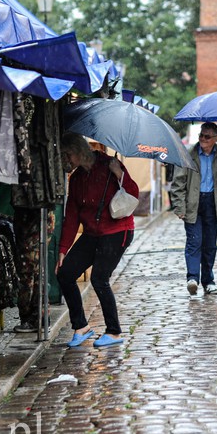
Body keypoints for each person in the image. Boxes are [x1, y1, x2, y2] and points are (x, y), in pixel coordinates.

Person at [56, 132, 139, 348]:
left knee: (99, 279)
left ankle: (113, 332)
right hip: (92, 233)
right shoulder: (76, 178)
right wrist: (63, 249)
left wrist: (119, 173)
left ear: (77, 152)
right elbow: (72, 215)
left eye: (66, 156)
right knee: (65, 274)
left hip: (117, 231)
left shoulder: (109, 164)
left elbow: (132, 193)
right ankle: (81, 327)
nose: (65, 161)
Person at [170, 121, 217, 296]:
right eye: (201, 135)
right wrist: (180, 206)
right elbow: (178, 183)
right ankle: (192, 279)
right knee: (194, 241)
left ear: (216, 138)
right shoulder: (188, 154)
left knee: (210, 244)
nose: (203, 139)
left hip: (212, 202)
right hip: (193, 203)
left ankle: (208, 281)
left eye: (207, 136)